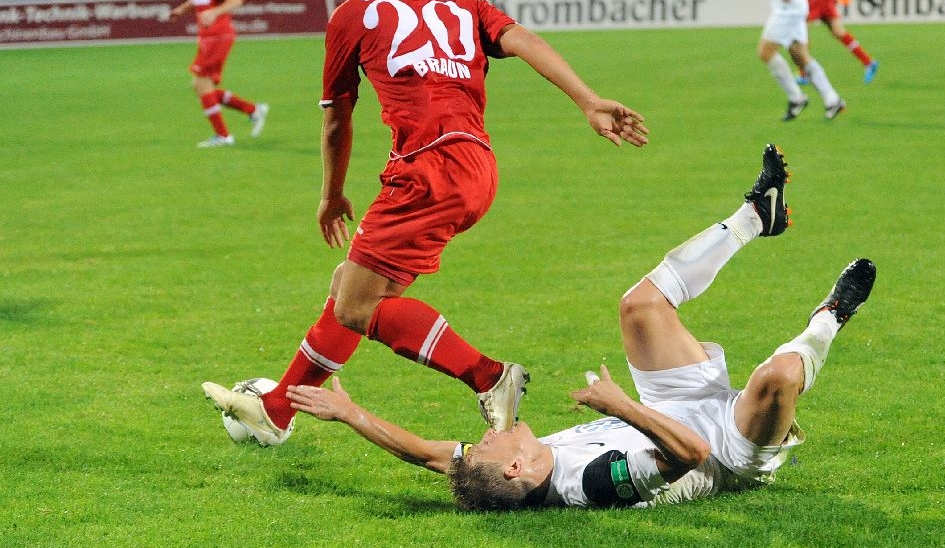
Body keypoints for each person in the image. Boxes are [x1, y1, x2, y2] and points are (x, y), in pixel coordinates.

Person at [202, 0, 648, 444]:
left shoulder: (352, 14)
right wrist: (588, 100)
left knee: (356, 306)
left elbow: (337, 119)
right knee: (350, 285)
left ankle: (490, 377)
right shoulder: (464, 6)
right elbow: (524, 40)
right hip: (478, 167)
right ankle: (277, 409)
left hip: (426, 170)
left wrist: (332, 194)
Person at [284, 144, 877, 510]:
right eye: (489, 443)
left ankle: (754, 217)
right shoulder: (593, 482)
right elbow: (691, 454)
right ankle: (830, 318)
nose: (485, 435)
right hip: (726, 448)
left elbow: (427, 455)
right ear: (516, 468)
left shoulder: (504, 471)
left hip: (671, 405)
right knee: (778, 378)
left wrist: (352, 415)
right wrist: (622, 407)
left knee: (638, 307)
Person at [169, 0, 268, 148]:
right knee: (201, 86)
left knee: (200, 83)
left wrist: (214, 12)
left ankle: (223, 135)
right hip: (207, 35)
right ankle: (253, 110)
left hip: (219, 34)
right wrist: (181, 10)